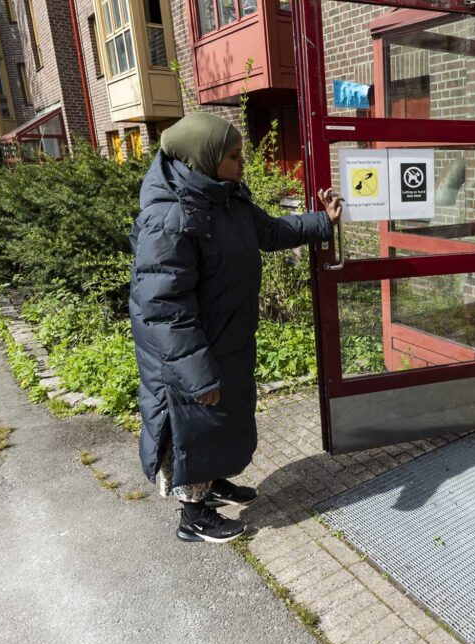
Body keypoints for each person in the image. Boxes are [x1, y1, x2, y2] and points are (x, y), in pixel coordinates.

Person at [129, 112, 343, 544]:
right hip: (193, 350)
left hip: (227, 337)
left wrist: (323, 221)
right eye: (234, 155)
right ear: (203, 159)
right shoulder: (170, 219)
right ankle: (193, 515)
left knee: (223, 419)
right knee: (196, 423)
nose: (242, 162)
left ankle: (212, 484)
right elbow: (162, 308)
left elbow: (271, 231)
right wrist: (195, 372)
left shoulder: (227, 198)